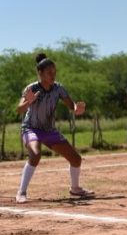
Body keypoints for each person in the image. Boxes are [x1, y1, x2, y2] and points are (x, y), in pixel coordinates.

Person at [15, 53, 94, 203]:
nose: (53, 75)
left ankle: (75, 189)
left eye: (54, 72)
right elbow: (19, 109)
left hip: (49, 130)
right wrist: (27, 102)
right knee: (35, 154)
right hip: (31, 128)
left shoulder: (59, 88)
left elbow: (72, 105)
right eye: (49, 72)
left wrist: (77, 109)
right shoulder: (31, 88)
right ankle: (21, 192)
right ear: (40, 73)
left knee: (76, 159)